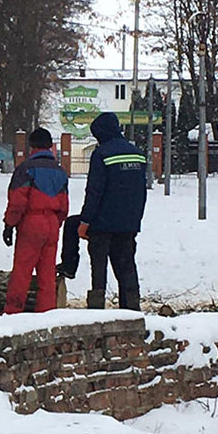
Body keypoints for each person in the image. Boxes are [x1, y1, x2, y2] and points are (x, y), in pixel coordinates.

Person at [78, 112, 148, 310]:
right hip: (128, 224)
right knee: (127, 269)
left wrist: (85, 221)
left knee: (99, 272)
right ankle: (132, 312)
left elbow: (94, 191)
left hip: (102, 224)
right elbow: (140, 192)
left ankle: (97, 313)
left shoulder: (102, 154)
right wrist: (135, 220)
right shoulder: (137, 153)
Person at [2, 128, 69, 314]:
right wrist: (56, 222)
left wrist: (9, 224)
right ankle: (46, 317)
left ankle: (12, 314)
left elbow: (18, 201)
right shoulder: (60, 171)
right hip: (52, 224)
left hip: (32, 223)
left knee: (22, 273)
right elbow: (64, 205)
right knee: (47, 275)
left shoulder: (25, 169)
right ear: (50, 146)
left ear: (31, 146)